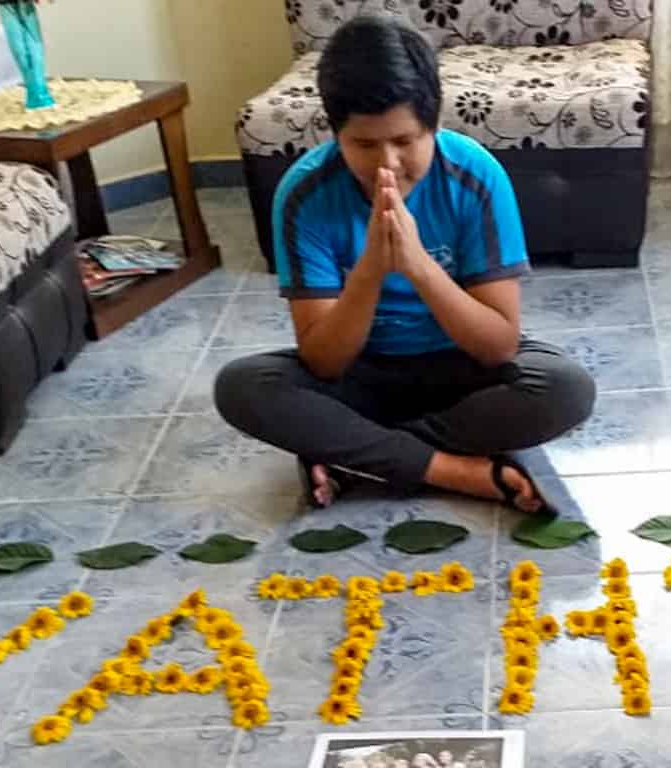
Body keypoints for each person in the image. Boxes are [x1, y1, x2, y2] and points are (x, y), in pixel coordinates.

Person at [213, 15, 595, 512]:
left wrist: (418, 266)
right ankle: (457, 471)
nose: (386, 165)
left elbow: (498, 346)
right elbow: (324, 360)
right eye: (364, 145)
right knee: (243, 387)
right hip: (359, 376)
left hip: (458, 370)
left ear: (434, 126)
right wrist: (371, 268)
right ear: (336, 135)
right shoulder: (302, 194)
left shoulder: (476, 175)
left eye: (405, 141)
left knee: (565, 389)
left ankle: (358, 454)